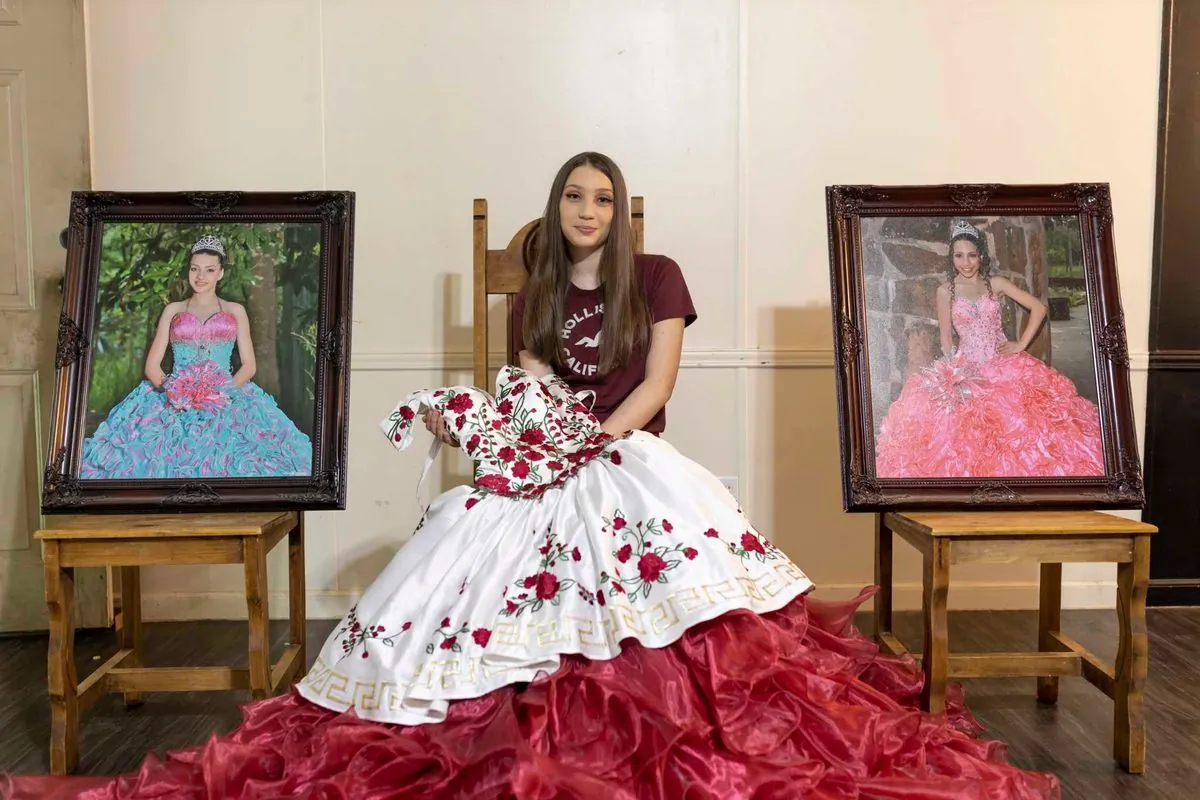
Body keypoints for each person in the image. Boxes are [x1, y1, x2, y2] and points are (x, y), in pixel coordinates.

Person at [3, 158, 1061, 799]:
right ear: (556, 211)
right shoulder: (536, 290)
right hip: (544, 447)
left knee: (667, 594)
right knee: (475, 551)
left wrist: (594, 445)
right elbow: (529, 381)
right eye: (572, 194)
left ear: (621, 206)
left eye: (601, 194)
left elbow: (653, 386)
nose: (587, 207)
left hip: (625, 451)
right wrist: (523, 440)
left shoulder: (659, 276)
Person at [874, 219, 1105, 479]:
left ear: (981, 255)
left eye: (972, 255)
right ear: (951, 258)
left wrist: (1021, 344)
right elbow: (946, 338)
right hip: (968, 369)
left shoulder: (995, 284)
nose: (966, 262)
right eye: (959, 256)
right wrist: (953, 374)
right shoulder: (944, 291)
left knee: (1025, 426)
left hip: (1003, 363)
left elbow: (1039, 308)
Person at [78, 234, 313, 479]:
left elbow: (249, 365)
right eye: (194, 269)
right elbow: (152, 365)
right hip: (174, 395)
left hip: (226, 395)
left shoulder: (235, 311)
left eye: (209, 270)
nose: (200, 277)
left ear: (220, 273)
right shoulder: (173, 310)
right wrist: (173, 391)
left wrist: (222, 393)